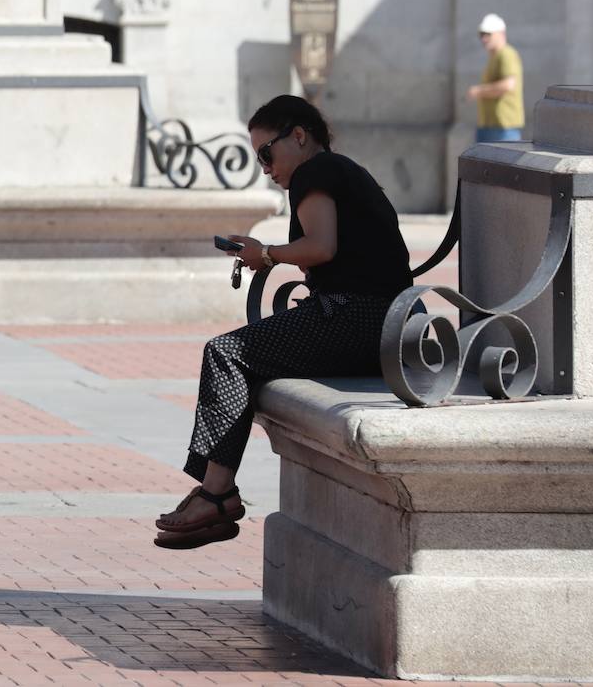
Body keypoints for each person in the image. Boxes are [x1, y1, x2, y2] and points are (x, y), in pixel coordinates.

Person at [154, 95, 413, 550]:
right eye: (257, 159)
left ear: (298, 135)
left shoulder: (316, 172)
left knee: (227, 353)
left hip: (358, 318)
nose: (266, 167)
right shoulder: (339, 170)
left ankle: (217, 495)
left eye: (267, 154)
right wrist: (264, 252)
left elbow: (322, 247)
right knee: (249, 356)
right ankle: (215, 494)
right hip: (382, 323)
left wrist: (267, 255)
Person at [466, 13, 525, 143]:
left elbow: (508, 85)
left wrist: (479, 91)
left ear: (501, 33)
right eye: (482, 34)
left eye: (488, 34)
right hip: (491, 126)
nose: (484, 39)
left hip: (504, 128)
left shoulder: (507, 54)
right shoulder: (495, 56)